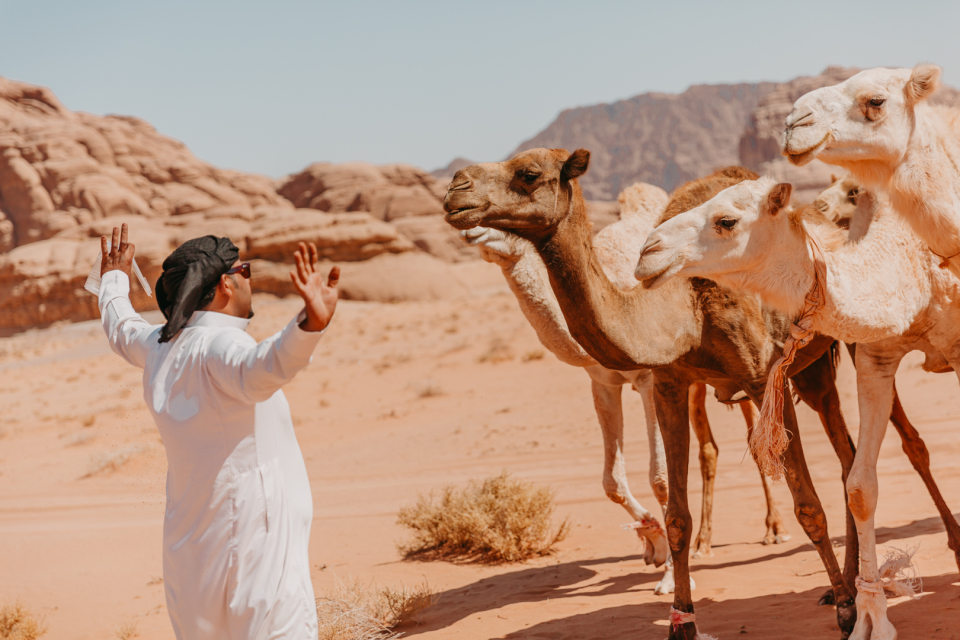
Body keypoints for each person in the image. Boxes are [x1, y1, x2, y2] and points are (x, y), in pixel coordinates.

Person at [98, 223, 339, 640]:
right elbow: (264, 367)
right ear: (226, 283)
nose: (251, 279)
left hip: (190, 558)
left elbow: (120, 326)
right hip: (255, 556)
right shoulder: (223, 347)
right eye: (245, 269)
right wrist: (309, 324)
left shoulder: (158, 345)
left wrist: (113, 279)